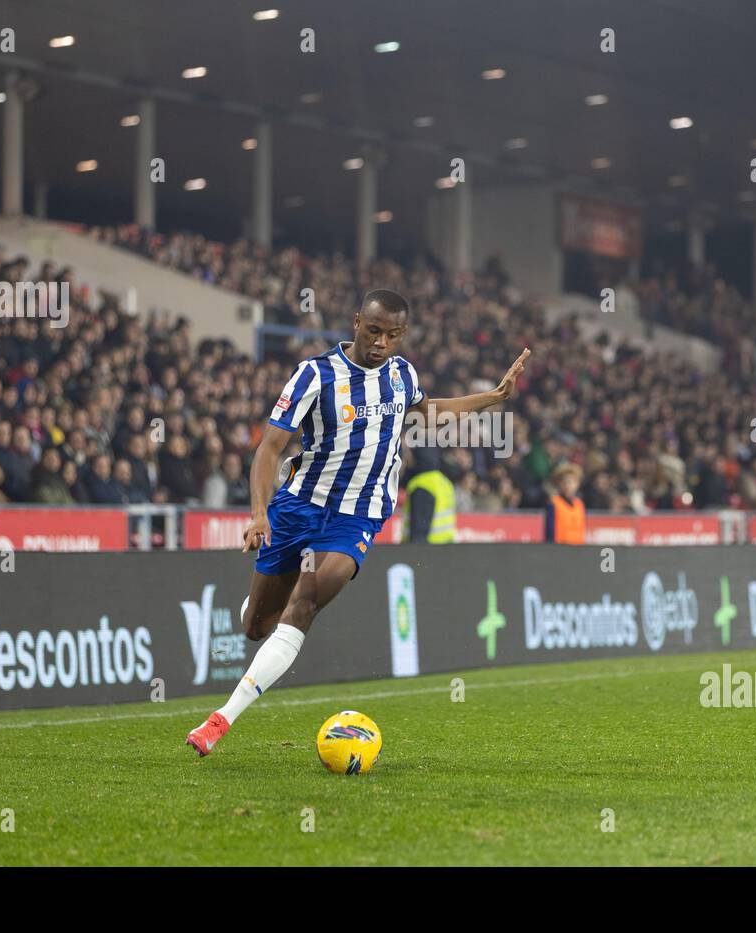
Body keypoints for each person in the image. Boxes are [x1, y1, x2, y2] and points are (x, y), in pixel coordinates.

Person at [186, 289, 529, 756]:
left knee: (304, 604)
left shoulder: (402, 375)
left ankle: (220, 720)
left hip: (358, 515)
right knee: (254, 626)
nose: (382, 342)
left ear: (402, 335)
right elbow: (268, 449)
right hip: (297, 508)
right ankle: (259, 601)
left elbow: (427, 412)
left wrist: (491, 398)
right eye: (374, 330)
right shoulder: (314, 375)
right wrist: (259, 514)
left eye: (392, 335)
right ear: (355, 323)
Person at [402, 446, 456, 543]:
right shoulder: (444, 481)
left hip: (428, 548)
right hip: (446, 545)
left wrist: (413, 552)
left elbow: (419, 527)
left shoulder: (421, 483)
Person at [545, 462, 586, 544]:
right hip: (560, 547)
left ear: (577, 484)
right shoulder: (553, 502)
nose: (567, 485)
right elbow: (549, 529)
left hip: (578, 548)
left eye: (571, 482)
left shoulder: (579, 504)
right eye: (564, 482)